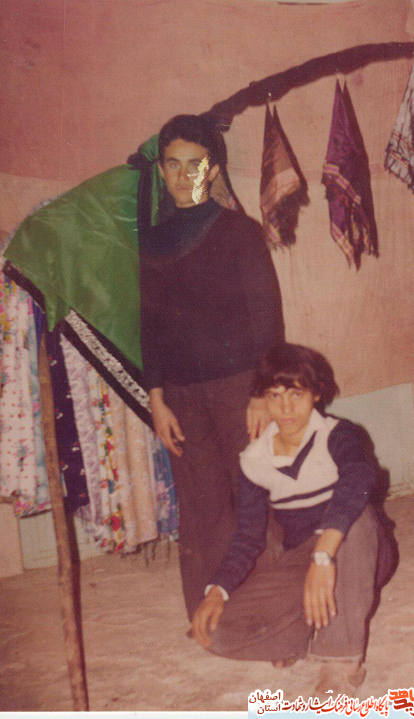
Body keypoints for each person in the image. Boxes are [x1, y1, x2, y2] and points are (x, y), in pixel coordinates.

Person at [140, 114, 284, 621]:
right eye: (173, 165)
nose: (184, 176)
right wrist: (156, 397)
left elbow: (268, 319)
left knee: (255, 496)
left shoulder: (240, 233)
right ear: (161, 171)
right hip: (180, 395)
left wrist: (263, 392)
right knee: (203, 504)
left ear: (214, 169)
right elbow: (150, 324)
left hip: (238, 387)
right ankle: (217, 615)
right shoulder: (153, 241)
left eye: (195, 165)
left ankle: (275, 615)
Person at [191, 343, 395, 699]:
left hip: (360, 551)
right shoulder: (254, 460)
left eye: (296, 395)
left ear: (316, 394)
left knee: (356, 515)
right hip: (303, 560)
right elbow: (248, 537)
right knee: (214, 631)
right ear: (263, 399)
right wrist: (217, 590)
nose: (286, 409)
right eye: (275, 396)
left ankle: (341, 662)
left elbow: (358, 479)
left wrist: (323, 557)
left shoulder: (337, 434)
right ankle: (304, 631)